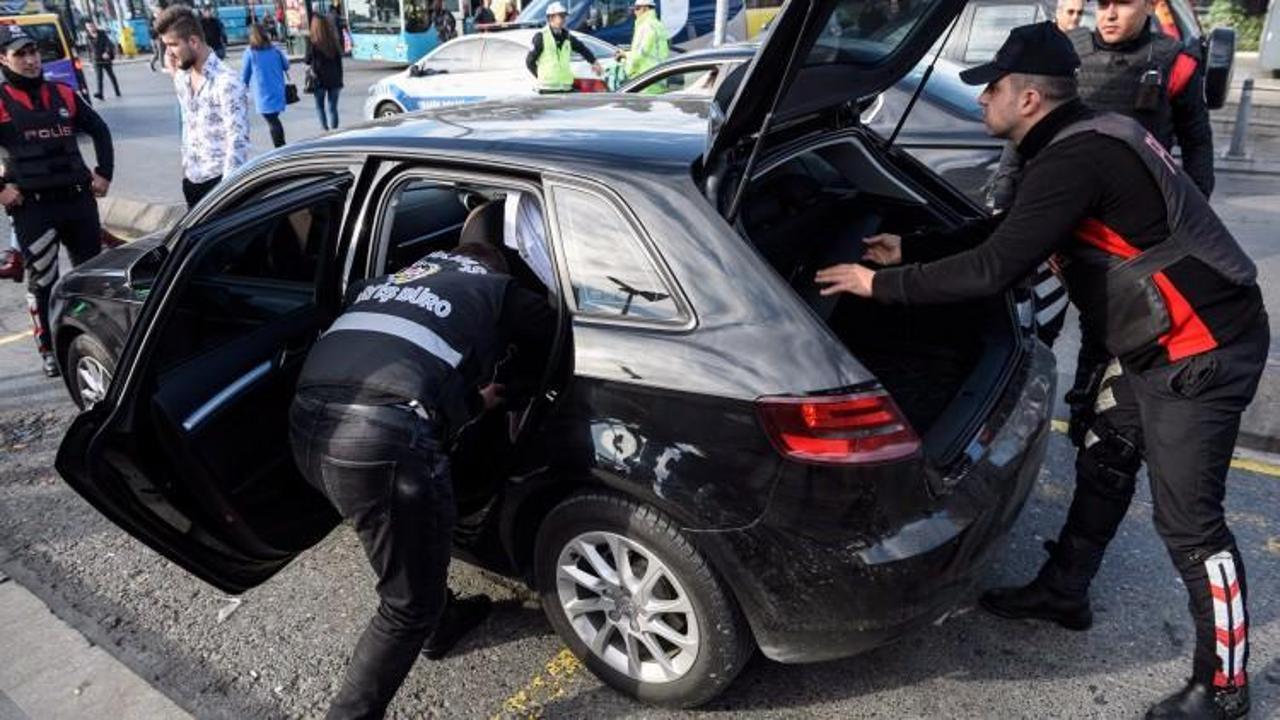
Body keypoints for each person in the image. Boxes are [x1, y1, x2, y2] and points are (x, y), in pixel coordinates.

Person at [814, 22, 1266, 720]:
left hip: (1201, 349)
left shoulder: (1076, 157)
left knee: (1192, 527)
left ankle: (1225, 687)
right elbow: (1016, 228)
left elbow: (995, 268)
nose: (981, 99)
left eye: (991, 88)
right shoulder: (1074, 140)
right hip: (1155, 341)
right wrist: (913, 248)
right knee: (1106, 457)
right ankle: (1064, 592)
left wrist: (880, 286)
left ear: (1028, 97)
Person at [290, 238, 557, 718]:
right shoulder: (496, 288)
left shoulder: (379, 285)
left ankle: (441, 622)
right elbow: (559, 331)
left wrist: (475, 402)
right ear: (493, 268)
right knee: (407, 606)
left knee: (401, 529)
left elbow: (408, 358)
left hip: (307, 427)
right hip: (380, 445)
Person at [0, 24, 114, 377]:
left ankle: (95, 338)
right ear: (3, 59)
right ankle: (49, 349)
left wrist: (104, 173)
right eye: (20, 54)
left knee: (90, 278)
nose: (30, 60)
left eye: (33, 52)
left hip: (78, 202)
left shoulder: (63, 93)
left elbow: (100, 130)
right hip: (33, 208)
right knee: (44, 282)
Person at [157, 5, 251, 208]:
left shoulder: (226, 82)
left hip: (218, 185)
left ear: (193, 41)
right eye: (166, 46)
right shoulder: (183, 78)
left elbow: (238, 141)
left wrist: (225, 194)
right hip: (191, 181)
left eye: (173, 45)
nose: (169, 53)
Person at [525, 2, 602, 93]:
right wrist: (541, 77)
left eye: (564, 16)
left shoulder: (567, 37)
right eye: (561, 16)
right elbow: (529, 62)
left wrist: (594, 62)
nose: (564, 19)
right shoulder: (541, 37)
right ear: (551, 18)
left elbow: (582, 49)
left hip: (565, 88)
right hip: (547, 90)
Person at [241, 23, 289, 148]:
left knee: (272, 121)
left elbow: (244, 77)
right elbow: (286, 65)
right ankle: (281, 146)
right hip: (278, 90)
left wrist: (242, 92)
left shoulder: (250, 52)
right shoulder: (275, 49)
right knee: (273, 119)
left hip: (263, 93)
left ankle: (280, 147)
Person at [617, 0, 668, 91]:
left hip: (645, 79)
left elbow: (640, 54)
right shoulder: (658, 24)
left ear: (646, 8)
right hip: (658, 76)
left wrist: (624, 55)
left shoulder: (646, 26)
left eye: (637, 8)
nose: (634, 12)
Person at [305, 15, 344, 130]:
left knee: (320, 107)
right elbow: (339, 62)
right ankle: (335, 131)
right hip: (334, 78)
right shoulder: (333, 41)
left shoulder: (313, 42)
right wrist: (340, 79)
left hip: (319, 79)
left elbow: (307, 60)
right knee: (333, 108)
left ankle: (325, 129)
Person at [84, 20, 121, 100]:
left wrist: (107, 52)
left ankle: (117, 91)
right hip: (96, 59)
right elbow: (89, 49)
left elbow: (108, 44)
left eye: (92, 26)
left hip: (105, 58)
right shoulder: (87, 37)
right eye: (89, 27)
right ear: (87, 28)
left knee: (111, 75)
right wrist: (90, 61)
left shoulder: (102, 33)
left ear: (94, 25)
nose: (91, 28)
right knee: (99, 77)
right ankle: (100, 93)